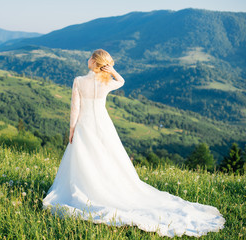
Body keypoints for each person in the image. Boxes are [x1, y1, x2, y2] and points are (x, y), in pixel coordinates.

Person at [42, 49, 225, 238]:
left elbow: (75, 108)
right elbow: (122, 81)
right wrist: (112, 70)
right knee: (108, 157)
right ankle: (106, 185)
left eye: (90, 58)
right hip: (103, 124)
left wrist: (72, 129)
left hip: (85, 124)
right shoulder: (106, 82)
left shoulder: (79, 81)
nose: (87, 59)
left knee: (85, 157)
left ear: (94, 62)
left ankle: (88, 186)